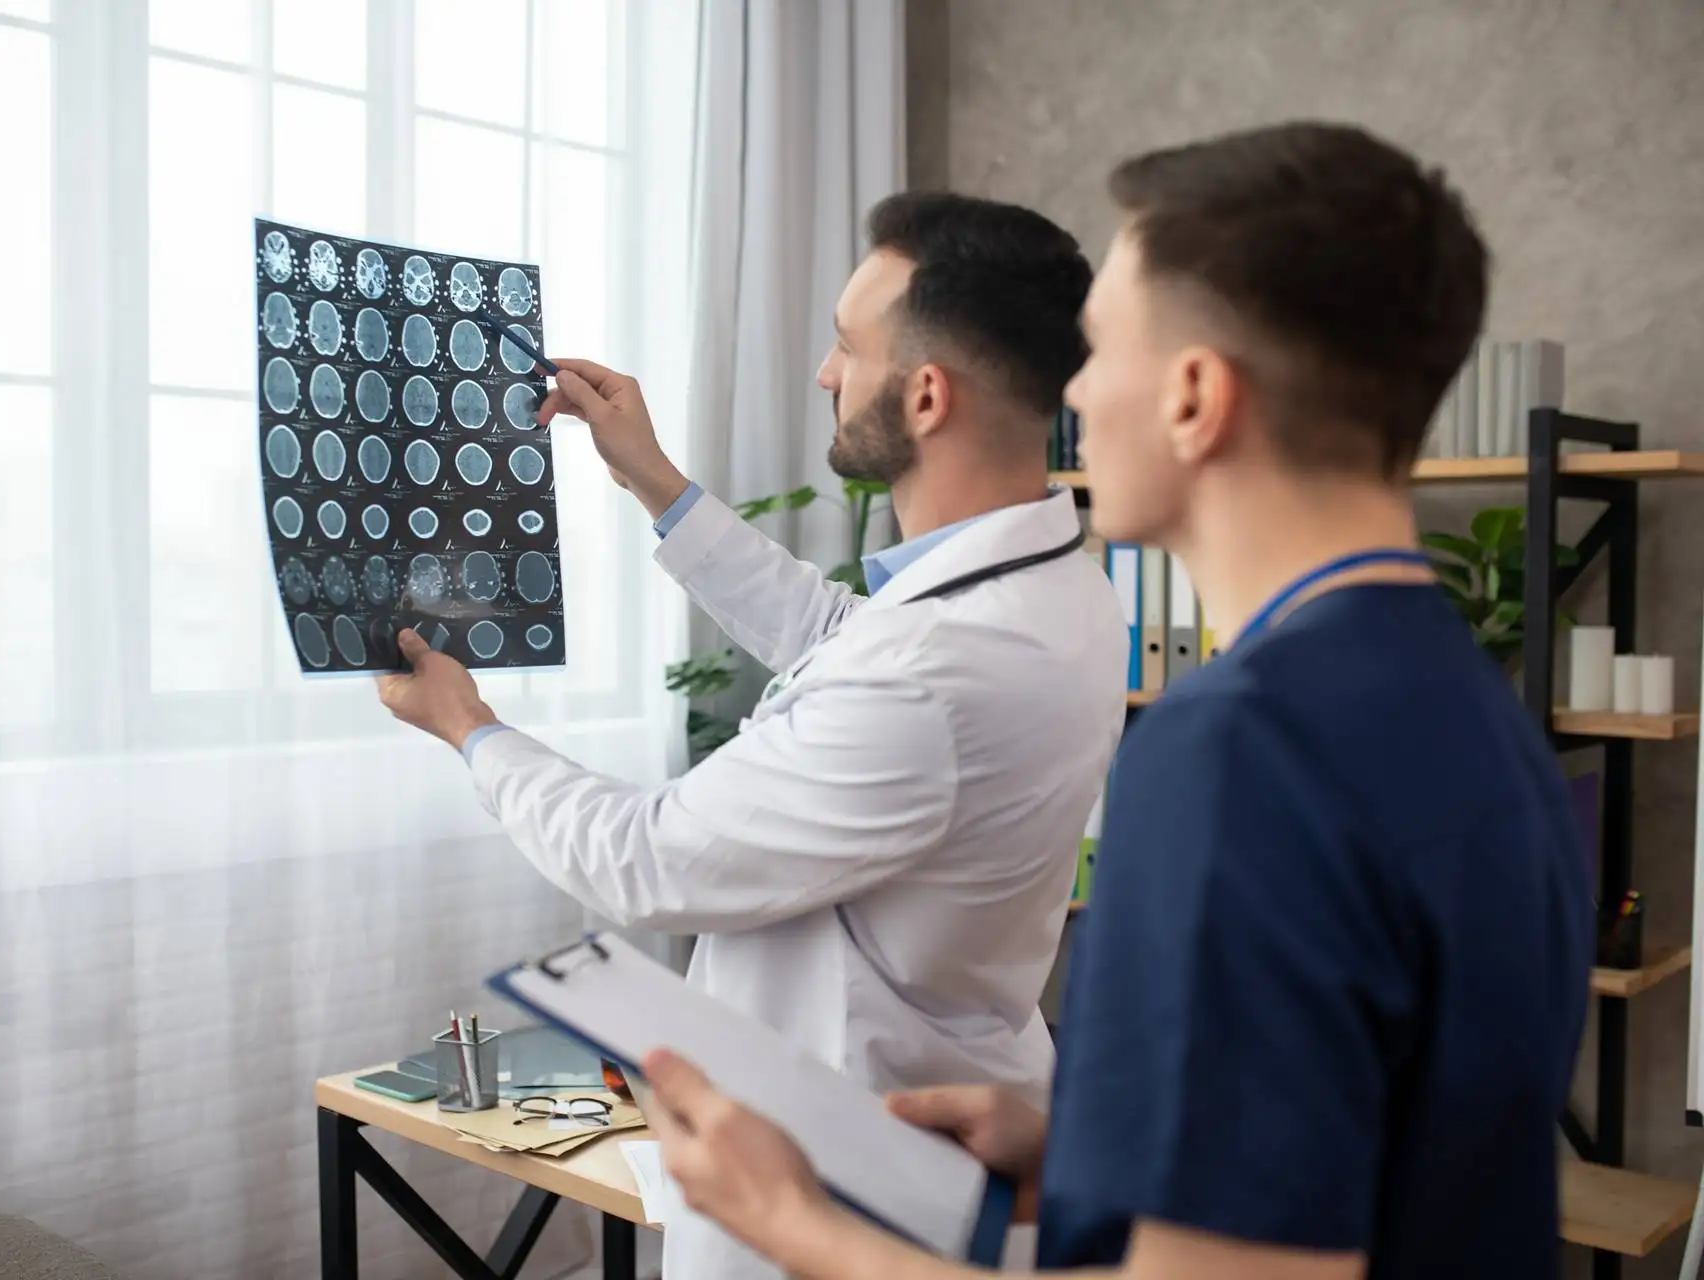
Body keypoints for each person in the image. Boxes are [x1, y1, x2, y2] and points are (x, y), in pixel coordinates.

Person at [631, 122, 1594, 1280]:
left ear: (1195, 396)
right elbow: (1386, 1152)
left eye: (1097, 352)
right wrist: (1098, 1153)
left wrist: (793, 1221)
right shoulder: (1469, 705)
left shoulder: (1242, 750)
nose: (1072, 392)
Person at [376, 193, 1130, 1280]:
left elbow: (650, 857)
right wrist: (653, 478)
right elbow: (840, 636)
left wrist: (469, 726)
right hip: (954, 1112)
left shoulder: (933, 670)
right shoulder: (1059, 587)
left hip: (845, 1168)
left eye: (845, 344)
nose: (826, 371)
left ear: (926, 394)